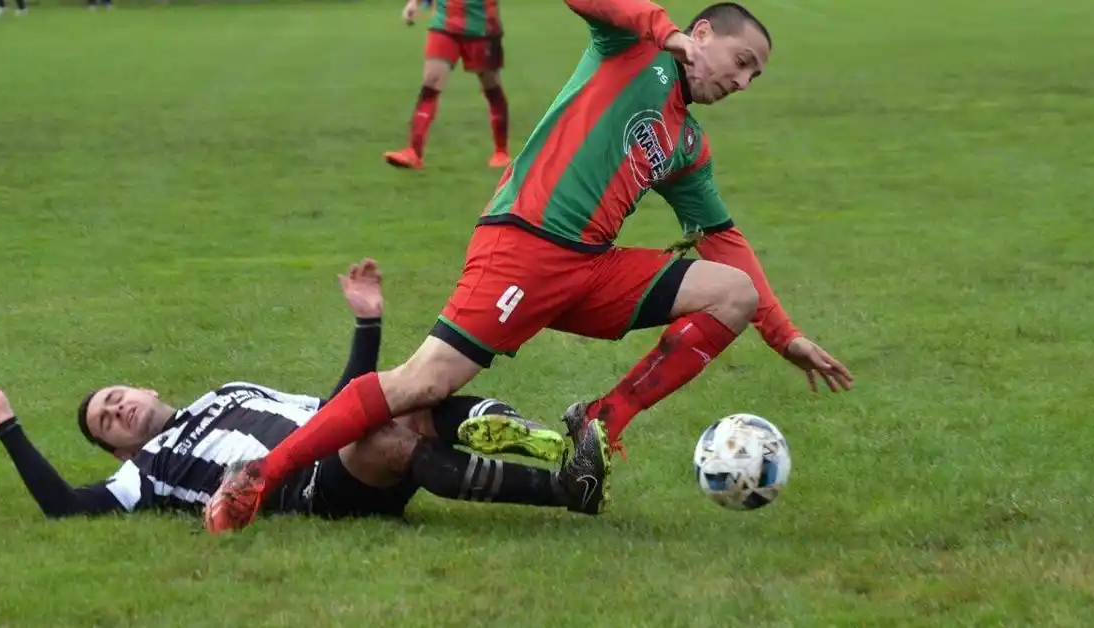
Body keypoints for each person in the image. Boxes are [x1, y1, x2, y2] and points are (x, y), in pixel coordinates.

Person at [205, 0, 853, 534]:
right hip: (524, 247)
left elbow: (724, 237)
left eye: (754, 78)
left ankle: (601, 422)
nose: (741, 83)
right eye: (742, 63)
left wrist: (785, 335)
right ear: (704, 34)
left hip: (590, 269)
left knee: (732, 292)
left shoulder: (687, 143)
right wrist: (663, 28)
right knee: (422, 382)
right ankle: (259, 479)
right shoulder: (631, 49)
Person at [0, 260, 604, 523]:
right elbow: (62, 505)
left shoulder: (227, 389)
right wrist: (5, 421)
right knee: (382, 436)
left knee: (408, 395)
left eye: (115, 395)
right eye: (107, 421)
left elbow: (342, 402)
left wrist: (367, 322)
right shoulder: (143, 475)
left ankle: (555, 446)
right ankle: (561, 489)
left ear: (145, 386)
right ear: (117, 449)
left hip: (335, 435)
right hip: (311, 487)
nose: (117, 408)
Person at [382, 0, 511, 170]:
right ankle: (413, 152)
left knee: (491, 85)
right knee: (431, 81)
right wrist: (415, 3)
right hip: (444, 23)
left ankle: (501, 151)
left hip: (482, 26)